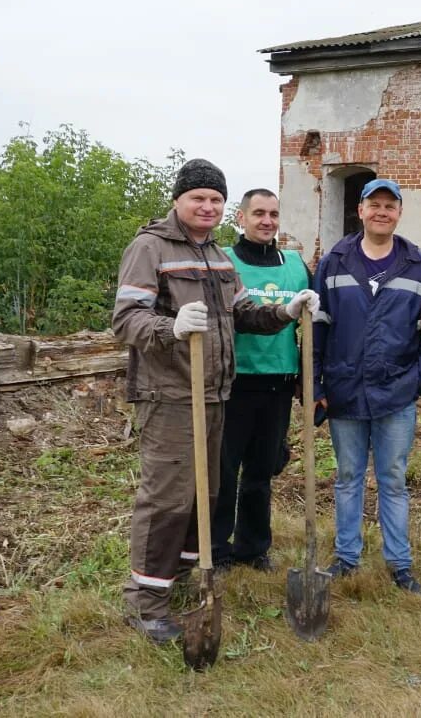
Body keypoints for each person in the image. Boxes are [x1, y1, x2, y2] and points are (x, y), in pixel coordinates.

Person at [112, 159, 319, 644]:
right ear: (179, 200)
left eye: (215, 200)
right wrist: (172, 326)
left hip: (214, 394)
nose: (207, 206)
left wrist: (285, 312)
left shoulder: (218, 257)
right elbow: (126, 321)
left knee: (204, 497)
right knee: (166, 499)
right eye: (198, 198)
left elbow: (242, 312)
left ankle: (178, 581)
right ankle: (144, 604)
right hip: (169, 395)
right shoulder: (150, 248)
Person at [312, 178, 421, 594]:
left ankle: (399, 563)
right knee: (348, 476)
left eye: (390, 205)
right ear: (361, 211)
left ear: (399, 213)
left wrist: (417, 382)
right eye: (375, 204)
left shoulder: (419, 265)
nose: (382, 212)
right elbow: (317, 328)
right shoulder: (334, 261)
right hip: (345, 389)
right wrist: (315, 383)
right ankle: (346, 557)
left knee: (392, 477)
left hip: (395, 393)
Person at [210, 188, 310, 573]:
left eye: (273, 214)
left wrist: (306, 375)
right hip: (234, 381)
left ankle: (253, 548)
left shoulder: (297, 265)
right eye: (258, 214)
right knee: (223, 470)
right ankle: (218, 550)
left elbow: (311, 325)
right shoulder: (223, 262)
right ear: (241, 218)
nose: (267, 221)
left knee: (261, 471)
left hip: (279, 380)